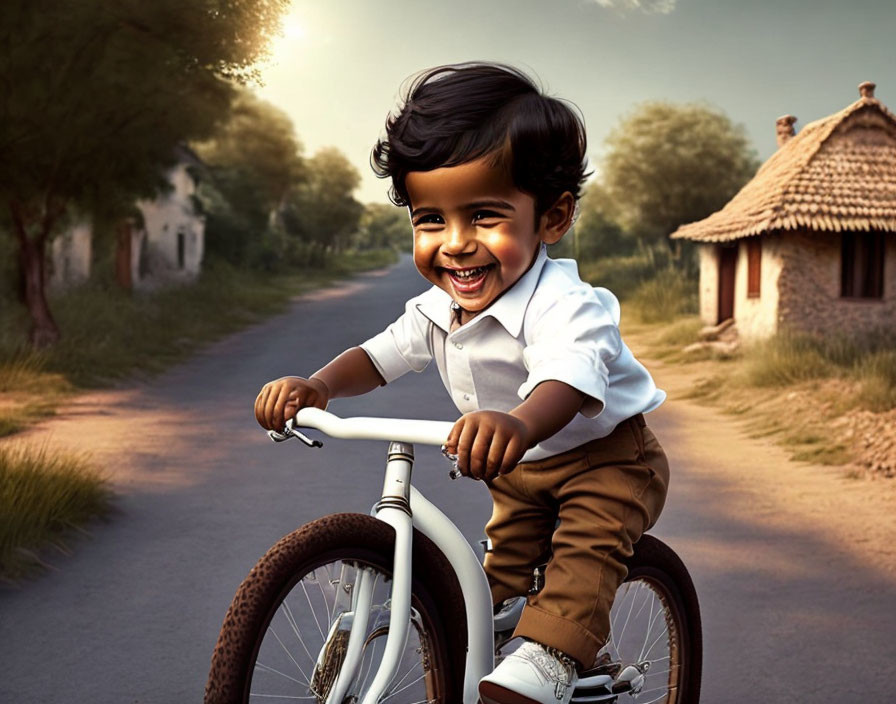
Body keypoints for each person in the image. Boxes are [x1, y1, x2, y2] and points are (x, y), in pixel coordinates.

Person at [254, 62, 669, 704]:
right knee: (494, 575)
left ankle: (555, 657)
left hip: (605, 460)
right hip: (515, 466)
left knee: (585, 555)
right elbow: (379, 354)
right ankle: (494, 628)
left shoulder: (568, 303)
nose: (455, 245)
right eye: (430, 220)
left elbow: (566, 377)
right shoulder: (436, 308)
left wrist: (521, 422)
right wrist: (317, 387)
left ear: (553, 218)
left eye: (483, 216)